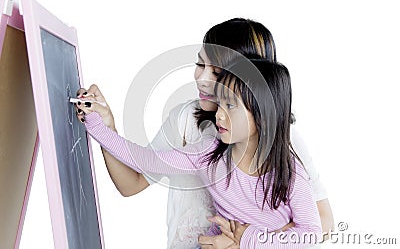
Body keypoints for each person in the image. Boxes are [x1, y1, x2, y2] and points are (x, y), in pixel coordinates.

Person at [76, 18, 334, 248]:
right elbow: (132, 180)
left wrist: (243, 241)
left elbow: (321, 224)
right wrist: (104, 126)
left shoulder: (284, 147)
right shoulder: (193, 128)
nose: (201, 78)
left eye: (217, 72)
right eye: (200, 63)